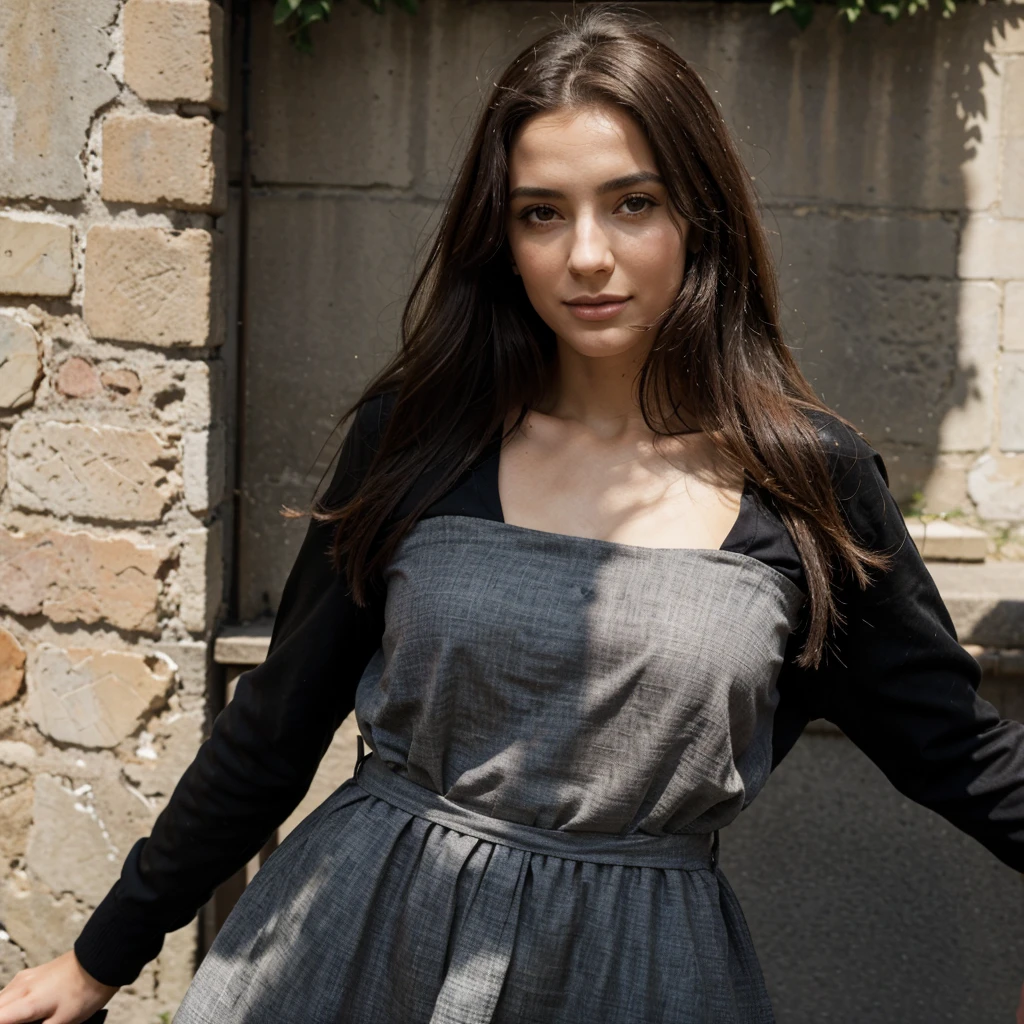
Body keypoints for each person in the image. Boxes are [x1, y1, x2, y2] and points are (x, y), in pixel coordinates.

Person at [3, 6, 1024, 1023]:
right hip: (353, 949)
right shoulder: (417, 435)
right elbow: (276, 725)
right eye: (542, 212)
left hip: (639, 975)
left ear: (698, 217)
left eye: (632, 203)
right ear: (502, 236)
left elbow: (963, 756)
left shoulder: (809, 484)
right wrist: (102, 956)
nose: (586, 255)